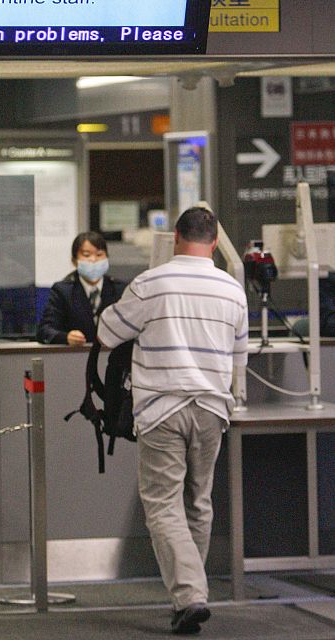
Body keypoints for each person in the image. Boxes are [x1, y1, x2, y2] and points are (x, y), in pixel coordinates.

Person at [98, 207, 248, 636]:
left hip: (163, 409)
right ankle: (188, 596)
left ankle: (189, 596)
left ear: (175, 237)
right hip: (212, 409)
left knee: (163, 504)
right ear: (215, 241)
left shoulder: (152, 283)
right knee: (197, 502)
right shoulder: (232, 290)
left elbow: (108, 333)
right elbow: (240, 358)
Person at [37, 230, 125, 345]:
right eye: (86, 255)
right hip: (75, 357)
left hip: (111, 357)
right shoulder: (63, 291)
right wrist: (66, 337)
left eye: (99, 255)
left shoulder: (119, 289)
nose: (93, 260)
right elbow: (44, 331)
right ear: (74, 261)